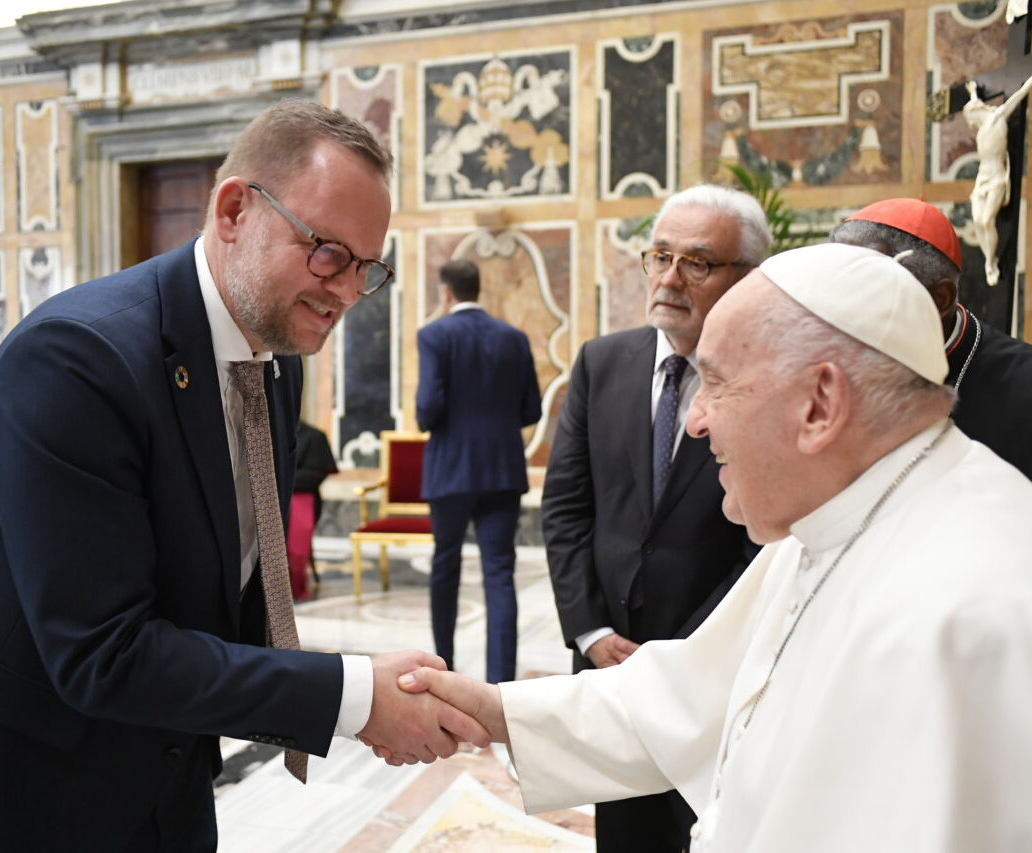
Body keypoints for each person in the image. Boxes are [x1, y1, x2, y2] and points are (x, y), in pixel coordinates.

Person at [0, 100, 487, 851]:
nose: (345, 292)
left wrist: (376, 692)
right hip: (45, 796)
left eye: (367, 269)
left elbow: (229, 609)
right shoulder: (76, 360)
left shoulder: (271, 364)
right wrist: (353, 696)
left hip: (170, 783)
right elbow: (103, 653)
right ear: (235, 209)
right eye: (327, 252)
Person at [395, 242, 1032, 852]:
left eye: (718, 382)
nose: (695, 419)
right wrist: (493, 707)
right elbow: (687, 698)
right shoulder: (835, 516)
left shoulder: (975, 609)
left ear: (819, 405)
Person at [542, 183, 766, 851]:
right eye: (659, 255)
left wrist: (689, 652)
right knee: (625, 833)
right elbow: (566, 507)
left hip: (713, 675)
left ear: (747, 278)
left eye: (697, 262)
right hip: (611, 666)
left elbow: (767, 539)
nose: (669, 277)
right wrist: (589, 629)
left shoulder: (768, 376)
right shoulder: (602, 362)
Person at [831, 196, 1032, 478]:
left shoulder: (1024, 385)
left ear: (940, 299)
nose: (846, 307)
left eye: (869, 288)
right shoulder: (828, 359)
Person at [416, 258, 542, 684]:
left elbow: (427, 409)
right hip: (503, 470)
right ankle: (501, 682)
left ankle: (443, 669)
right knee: (500, 574)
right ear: (477, 289)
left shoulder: (434, 335)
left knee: (445, 566)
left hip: (451, 470)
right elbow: (532, 409)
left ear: (446, 292)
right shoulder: (514, 338)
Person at [962, 74, 1032, 285]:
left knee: (985, 221)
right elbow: (975, 104)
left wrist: (1029, 82)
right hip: (982, 178)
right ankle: (988, 260)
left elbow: (1018, 95)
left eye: (971, 120)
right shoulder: (983, 126)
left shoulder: (998, 117)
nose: (971, 124)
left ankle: (990, 262)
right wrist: (973, 92)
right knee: (977, 220)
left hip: (997, 177)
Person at [286, 419, 338, 600]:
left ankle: (295, 584)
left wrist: (280, 480)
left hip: (300, 496)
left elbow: (314, 475)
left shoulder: (313, 436)